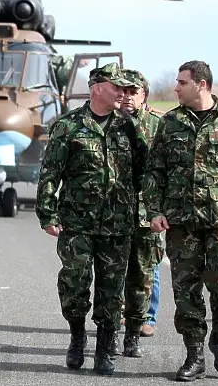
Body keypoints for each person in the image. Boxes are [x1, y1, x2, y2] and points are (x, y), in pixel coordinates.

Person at [143, 60, 218, 381]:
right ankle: (194, 355)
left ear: (201, 84)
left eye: (181, 82)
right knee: (186, 293)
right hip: (180, 223)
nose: (175, 88)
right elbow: (154, 171)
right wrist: (154, 210)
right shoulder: (169, 123)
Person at [35, 62, 146, 376]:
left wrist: (150, 211)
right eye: (117, 87)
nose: (124, 94)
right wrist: (47, 213)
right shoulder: (68, 125)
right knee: (74, 284)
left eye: (127, 89)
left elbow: (143, 172)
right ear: (98, 88)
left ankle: (104, 349)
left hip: (118, 224)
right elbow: (50, 173)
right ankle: (77, 335)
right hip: (77, 224)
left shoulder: (128, 126)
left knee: (112, 289)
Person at [118, 68, 164, 357]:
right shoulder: (111, 124)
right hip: (117, 210)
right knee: (118, 266)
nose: (126, 98)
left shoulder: (160, 124)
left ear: (144, 95)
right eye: (122, 92)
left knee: (150, 266)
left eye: (133, 92)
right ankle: (124, 314)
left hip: (148, 210)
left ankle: (147, 317)